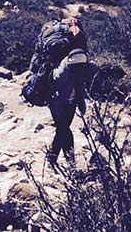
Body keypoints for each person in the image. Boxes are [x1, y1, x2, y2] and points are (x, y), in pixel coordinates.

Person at [46, 15, 91, 171]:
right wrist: (81, 102)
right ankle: (71, 166)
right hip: (68, 95)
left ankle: (52, 158)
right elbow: (79, 80)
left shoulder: (54, 50)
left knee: (62, 127)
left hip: (51, 90)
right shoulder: (77, 52)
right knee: (64, 128)